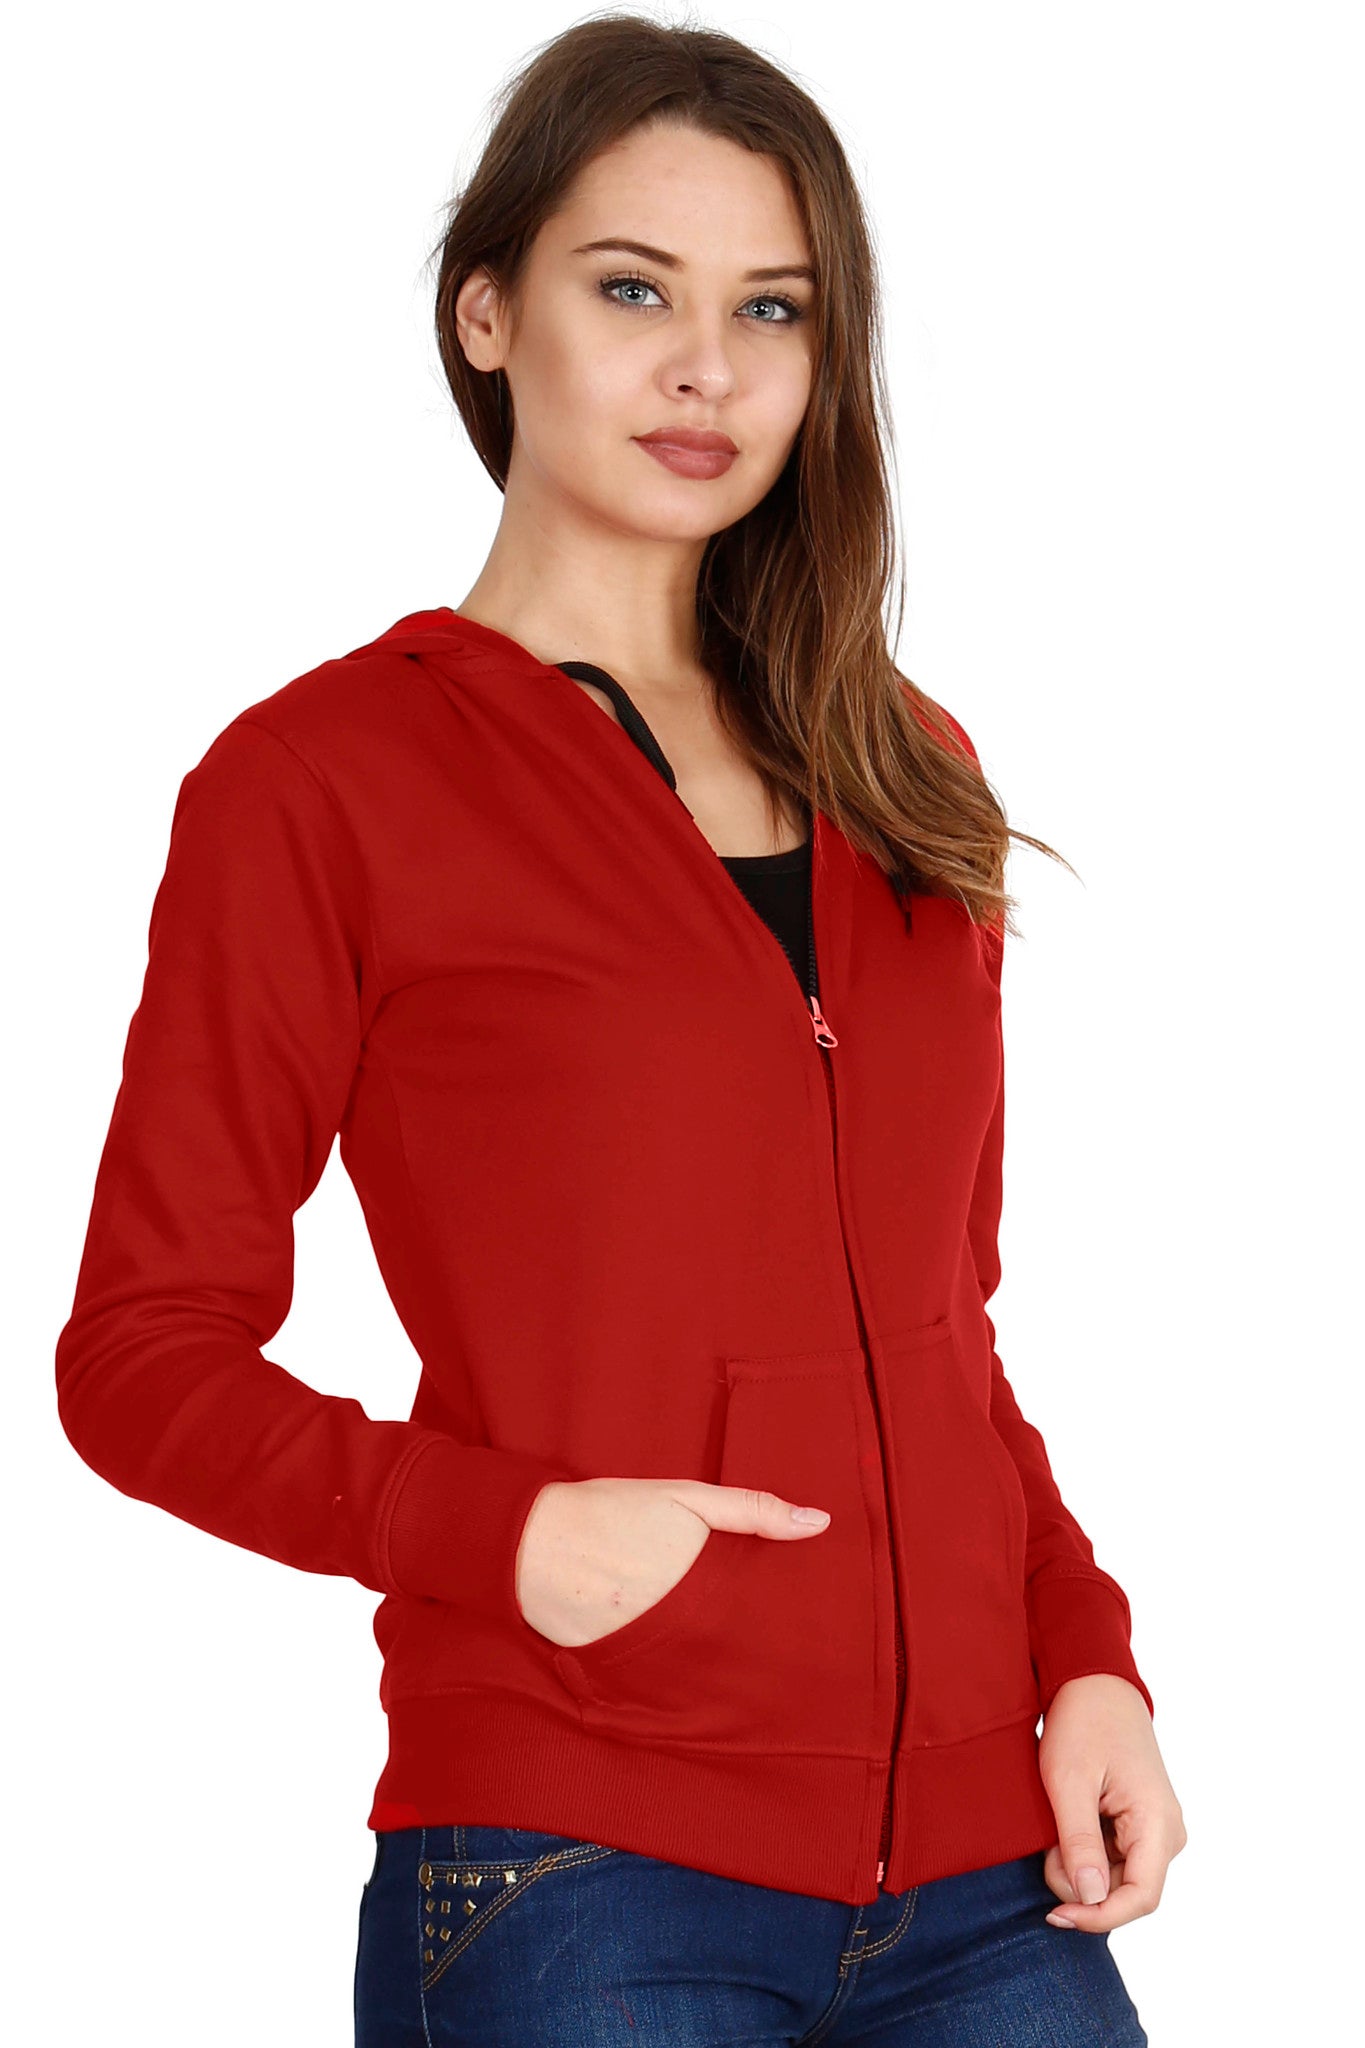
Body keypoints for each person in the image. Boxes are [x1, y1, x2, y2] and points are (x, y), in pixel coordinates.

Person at [54, 14, 1185, 2044]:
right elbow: (138, 1356)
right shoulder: (324, 785)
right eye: (633, 289)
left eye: (772, 308)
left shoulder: (904, 770)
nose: (708, 370)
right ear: (485, 315)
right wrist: (500, 1534)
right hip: (580, 1868)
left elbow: (941, 1339)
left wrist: (1083, 1654)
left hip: (989, 1885)